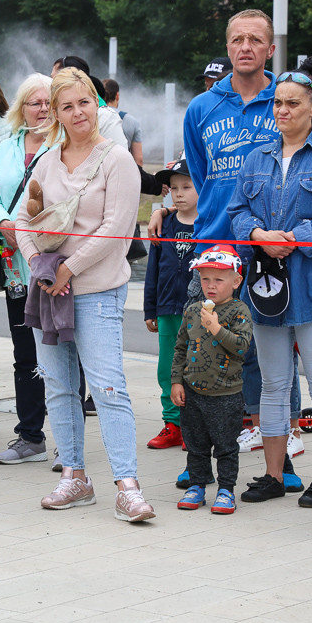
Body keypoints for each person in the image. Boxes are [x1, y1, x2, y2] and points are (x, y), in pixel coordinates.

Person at [15, 68, 152, 521]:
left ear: (99, 104)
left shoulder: (117, 160)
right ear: (54, 112)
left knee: (108, 388)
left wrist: (69, 268)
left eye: (84, 103)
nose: (78, 113)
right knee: (57, 386)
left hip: (96, 291)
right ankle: (74, 476)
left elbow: (116, 230)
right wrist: (39, 264)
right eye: (67, 106)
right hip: (49, 290)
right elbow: (22, 221)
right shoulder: (47, 161)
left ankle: (127, 485)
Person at [175, 9, 304, 489]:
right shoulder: (202, 108)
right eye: (236, 39)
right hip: (216, 242)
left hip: (272, 247)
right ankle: (199, 463)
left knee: (273, 355)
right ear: (227, 47)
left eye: (255, 40)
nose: (245, 46)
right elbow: (203, 175)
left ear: (271, 50)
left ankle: (282, 462)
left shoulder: (286, 100)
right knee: (203, 347)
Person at [228, 57, 312, 506]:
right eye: (277, 104)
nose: (282, 111)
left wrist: (293, 239)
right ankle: (274, 475)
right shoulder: (255, 156)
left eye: (292, 104)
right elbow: (236, 214)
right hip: (266, 289)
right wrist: (258, 236)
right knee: (272, 383)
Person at [0, 73, 54, 465]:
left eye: (47, 102)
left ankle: (68, 444)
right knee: (25, 354)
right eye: (34, 102)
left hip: (52, 265)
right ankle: (30, 436)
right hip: (13, 268)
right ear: (21, 108)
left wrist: (25, 228)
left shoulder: (64, 146)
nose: (41, 109)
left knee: (63, 354)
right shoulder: (6, 148)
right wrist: (2, 225)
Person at [171, 245, 253, 515]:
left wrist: (216, 328)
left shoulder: (239, 311)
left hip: (226, 394)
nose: (211, 285)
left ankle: (226, 489)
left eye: (219, 280)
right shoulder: (192, 311)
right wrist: (176, 382)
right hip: (192, 392)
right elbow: (181, 347)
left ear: (236, 281)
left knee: (226, 445)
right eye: (205, 279)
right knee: (195, 444)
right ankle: (197, 484)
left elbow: (241, 348)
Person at [143, 158, 198, 449]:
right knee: (167, 368)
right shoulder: (163, 226)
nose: (179, 193)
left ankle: (193, 426)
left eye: (187, 187)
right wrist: (150, 309)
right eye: (174, 188)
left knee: (196, 368)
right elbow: (153, 271)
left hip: (199, 316)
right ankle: (172, 423)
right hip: (167, 311)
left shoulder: (209, 225)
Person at [101, 78, 143, 167]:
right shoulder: (131, 121)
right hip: (123, 170)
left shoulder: (93, 117)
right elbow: (138, 160)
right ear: (117, 96)